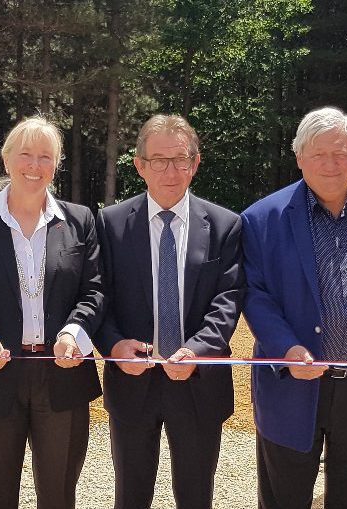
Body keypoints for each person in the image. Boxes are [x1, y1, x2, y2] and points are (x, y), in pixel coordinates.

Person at [240, 107, 347, 509]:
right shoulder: (262, 218)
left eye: (341, 152)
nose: (331, 163)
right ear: (299, 157)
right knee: (284, 497)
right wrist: (285, 346)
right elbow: (254, 293)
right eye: (318, 154)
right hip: (291, 383)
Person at [0, 116, 104, 509]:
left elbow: (95, 291)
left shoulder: (80, 221)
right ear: (6, 161)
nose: (34, 166)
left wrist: (74, 332)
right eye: (25, 155)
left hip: (63, 376)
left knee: (58, 495)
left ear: (56, 165)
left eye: (45, 157)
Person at [96, 114, 244, 508]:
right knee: (131, 495)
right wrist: (112, 345)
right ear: (140, 165)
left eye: (180, 159)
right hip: (132, 382)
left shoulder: (225, 225)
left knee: (196, 496)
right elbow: (99, 296)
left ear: (195, 163)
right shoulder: (110, 224)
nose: (170, 170)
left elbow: (227, 302)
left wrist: (197, 350)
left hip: (199, 382)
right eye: (158, 160)